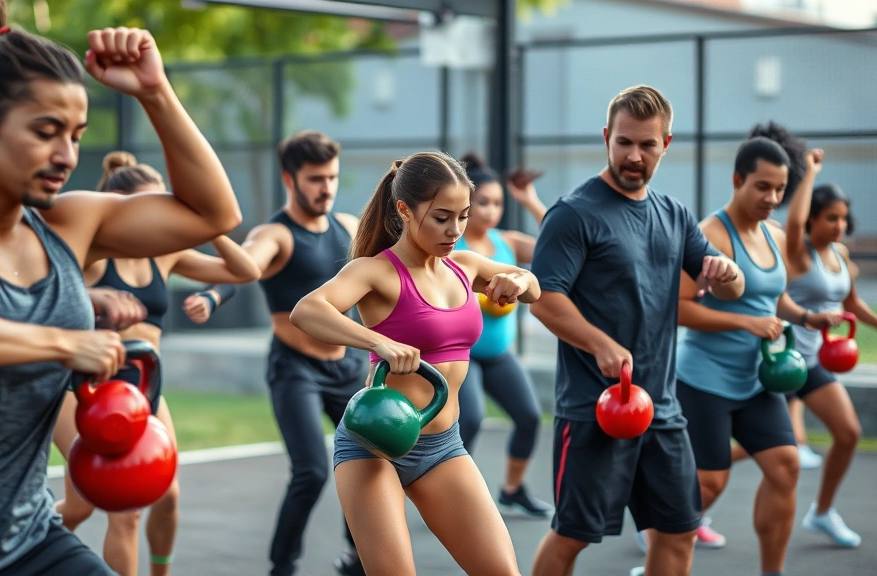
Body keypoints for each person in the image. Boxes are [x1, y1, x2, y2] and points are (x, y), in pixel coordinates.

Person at [0, 2, 241, 574]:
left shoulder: (69, 224)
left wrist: (155, 92)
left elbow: (214, 213)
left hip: (29, 541)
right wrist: (63, 340)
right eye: (45, 132)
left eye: (77, 135)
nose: (66, 156)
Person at [526, 85, 745, 576]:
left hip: (661, 411)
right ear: (606, 137)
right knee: (571, 536)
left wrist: (729, 274)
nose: (633, 155)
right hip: (593, 411)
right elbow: (543, 297)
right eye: (624, 142)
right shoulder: (574, 213)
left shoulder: (674, 215)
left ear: (666, 144)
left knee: (679, 531)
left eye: (647, 145)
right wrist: (598, 341)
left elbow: (729, 286)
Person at [290, 151, 539, 575]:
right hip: (374, 446)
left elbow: (532, 287)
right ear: (404, 209)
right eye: (442, 217)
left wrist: (518, 279)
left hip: (442, 447)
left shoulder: (463, 266)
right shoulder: (375, 272)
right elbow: (307, 311)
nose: (455, 230)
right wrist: (379, 342)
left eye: (462, 216)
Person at [51, 152, 261, 576]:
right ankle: (28, 543)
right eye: (151, 208)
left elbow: (245, 270)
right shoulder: (93, 254)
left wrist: (210, 226)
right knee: (108, 508)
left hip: (145, 385)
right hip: (89, 389)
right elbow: (45, 292)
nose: (162, 219)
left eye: (165, 208)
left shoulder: (165, 252)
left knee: (166, 494)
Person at [185, 131, 368, 576]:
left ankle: (356, 556)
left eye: (332, 177)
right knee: (311, 472)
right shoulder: (277, 235)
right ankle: (282, 567)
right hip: (296, 371)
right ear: (290, 179)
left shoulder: (347, 226)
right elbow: (244, 268)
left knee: (368, 465)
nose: (326, 187)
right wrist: (212, 297)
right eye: (315, 178)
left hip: (349, 368)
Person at [672, 137, 843, 576]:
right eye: (762, 187)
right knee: (710, 483)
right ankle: (661, 560)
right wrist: (746, 324)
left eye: (779, 189)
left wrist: (807, 317)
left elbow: (773, 299)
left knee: (785, 467)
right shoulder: (710, 234)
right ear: (737, 180)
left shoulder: (776, 234)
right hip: (706, 379)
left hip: (757, 379)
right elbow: (681, 307)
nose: (772, 198)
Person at [761, 122, 877, 548]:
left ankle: (821, 512)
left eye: (843, 218)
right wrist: (810, 171)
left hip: (814, 363)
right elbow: (796, 217)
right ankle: (688, 506)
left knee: (849, 432)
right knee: (755, 450)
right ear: (814, 220)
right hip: (782, 362)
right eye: (831, 218)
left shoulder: (840, 255)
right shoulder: (798, 253)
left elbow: (850, 302)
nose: (840, 226)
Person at [453, 152, 552, 517]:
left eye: (497, 202)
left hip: (498, 355)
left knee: (528, 416)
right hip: (462, 354)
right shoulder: (452, 246)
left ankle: (513, 489)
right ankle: (454, 496)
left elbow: (555, 243)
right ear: (465, 202)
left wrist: (529, 200)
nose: (491, 210)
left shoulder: (506, 242)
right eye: (483, 202)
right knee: (471, 420)